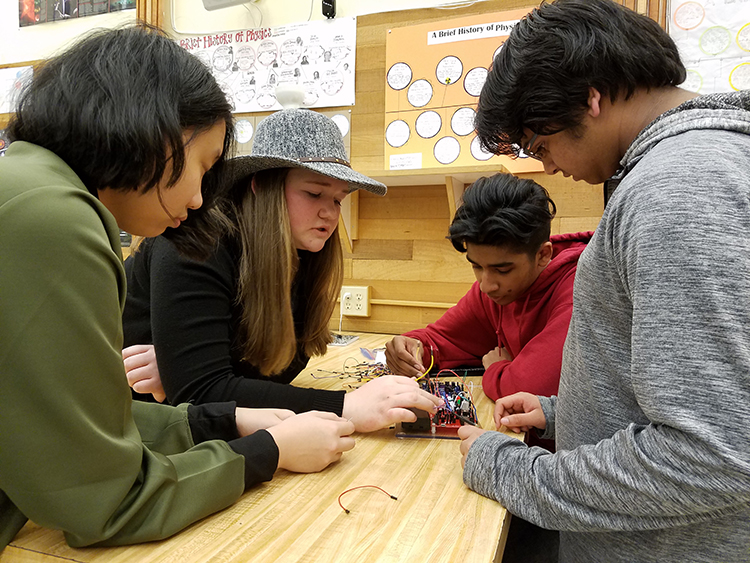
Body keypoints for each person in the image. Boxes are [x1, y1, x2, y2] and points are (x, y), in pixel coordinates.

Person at [0, 25, 424, 553]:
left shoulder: (32, 191)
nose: (201, 198)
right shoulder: (56, 218)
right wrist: (267, 448)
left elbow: (82, 429)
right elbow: (105, 502)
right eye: (201, 167)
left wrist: (224, 417)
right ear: (151, 134)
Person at [458, 1, 750, 562]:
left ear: (589, 97)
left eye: (540, 145)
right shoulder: (701, 169)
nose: (546, 167)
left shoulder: (679, 188)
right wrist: (566, 409)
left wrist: (509, 466)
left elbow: (716, 453)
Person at [121, 109, 442, 438]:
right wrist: (347, 406)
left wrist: (188, 366)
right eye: (314, 193)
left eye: (338, 199)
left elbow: (281, 367)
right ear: (262, 185)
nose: (329, 213)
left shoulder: (303, 251)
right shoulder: (197, 240)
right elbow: (202, 396)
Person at [385, 174, 591, 417]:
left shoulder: (581, 287)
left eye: (502, 270)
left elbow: (530, 391)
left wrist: (496, 368)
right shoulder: (495, 291)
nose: (485, 285)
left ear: (543, 256)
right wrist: (412, 348)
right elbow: (442, 339)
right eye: (476, 266)